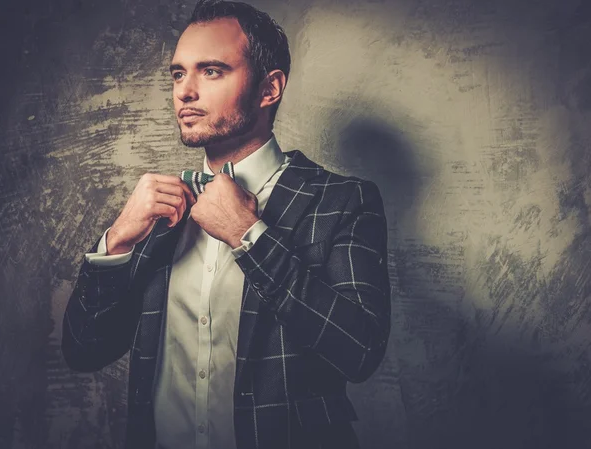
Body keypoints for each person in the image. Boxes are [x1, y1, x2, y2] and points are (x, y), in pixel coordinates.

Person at [61, 1, 391, 448]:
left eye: (212, 71)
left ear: (269, 88)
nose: (185, 92)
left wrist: (249, 236)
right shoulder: (155, 211)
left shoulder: (341, 200)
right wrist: (116, 240)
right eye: (178, 74)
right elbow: (84, 351)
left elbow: (360, 352)